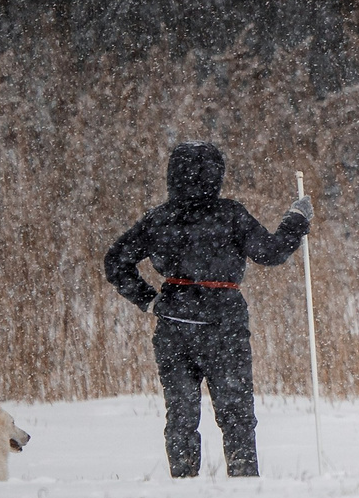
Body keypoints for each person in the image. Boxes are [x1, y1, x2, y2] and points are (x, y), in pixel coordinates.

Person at [104, 142, 312, 477]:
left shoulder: (159, 219)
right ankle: (244, 480)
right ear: (217, 174)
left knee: (182, 412)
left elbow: (116, 261)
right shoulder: (230, 215)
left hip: (174, 325)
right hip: (224, 325)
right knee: (236, 413)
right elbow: (271, 253)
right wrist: (296, 220)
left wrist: (148, 299)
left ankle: (183, 480)